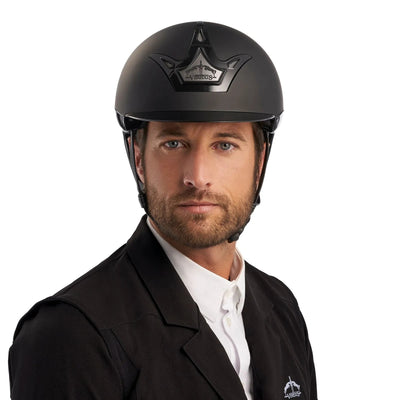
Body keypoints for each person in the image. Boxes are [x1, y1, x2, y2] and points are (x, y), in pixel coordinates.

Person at [8, 21, 317, 400]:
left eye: (224, 145)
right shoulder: (70, 334)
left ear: (260, 160)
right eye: (173, 143)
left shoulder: (281, 308)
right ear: (139, 157)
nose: (197, 177)